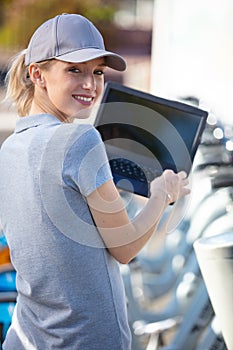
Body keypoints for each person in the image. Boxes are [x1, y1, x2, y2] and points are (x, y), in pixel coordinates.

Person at [0, 13, 190, 350]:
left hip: (28, 337)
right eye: (74, 70)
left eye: (98, 72)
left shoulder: (9, 148)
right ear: (37, 73)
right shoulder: (80, 140)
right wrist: (161, 194)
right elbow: (125, 248)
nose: (90, 84)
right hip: (86, 338)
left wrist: (101, 191)